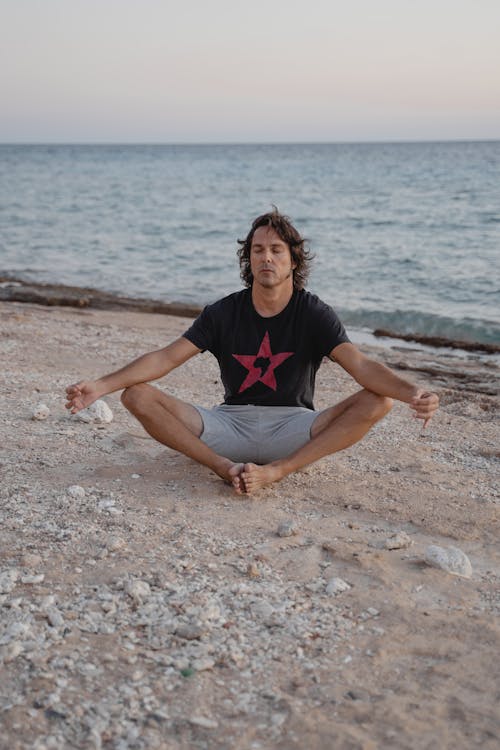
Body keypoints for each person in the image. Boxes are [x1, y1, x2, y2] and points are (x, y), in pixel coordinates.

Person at [65, 209, 439, 494]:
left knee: (379, 402)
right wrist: (101, 385)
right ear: (249, 260)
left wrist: (412, 393)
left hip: (295, 427)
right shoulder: (223, 312)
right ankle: (221, 467)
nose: (267, 258)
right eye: (258, 250)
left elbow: (361, 365)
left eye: (277, 250)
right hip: (229, 424)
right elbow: (165, 357)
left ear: (293, 260)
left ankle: (279, 470)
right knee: (137, 395)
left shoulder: (313, 312)